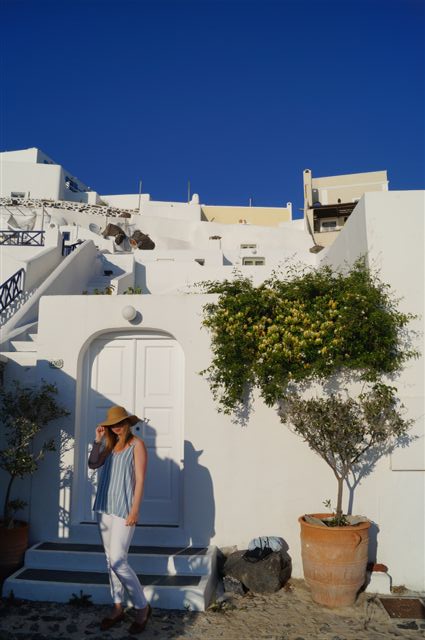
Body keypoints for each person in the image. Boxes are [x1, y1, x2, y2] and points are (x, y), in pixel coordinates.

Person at [88, 405, 151, 634]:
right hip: (104, 508)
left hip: (124, 509)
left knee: (117, 561)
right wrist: (97, 441)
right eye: (112, 424)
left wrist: (135, 510)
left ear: (127, 423)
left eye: (119, 423)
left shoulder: (137, 445)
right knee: (109, 560)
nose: (116, 427)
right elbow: (93, 464)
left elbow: (140, 480)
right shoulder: (109, 446)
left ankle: (142, 607)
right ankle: (117, 607)